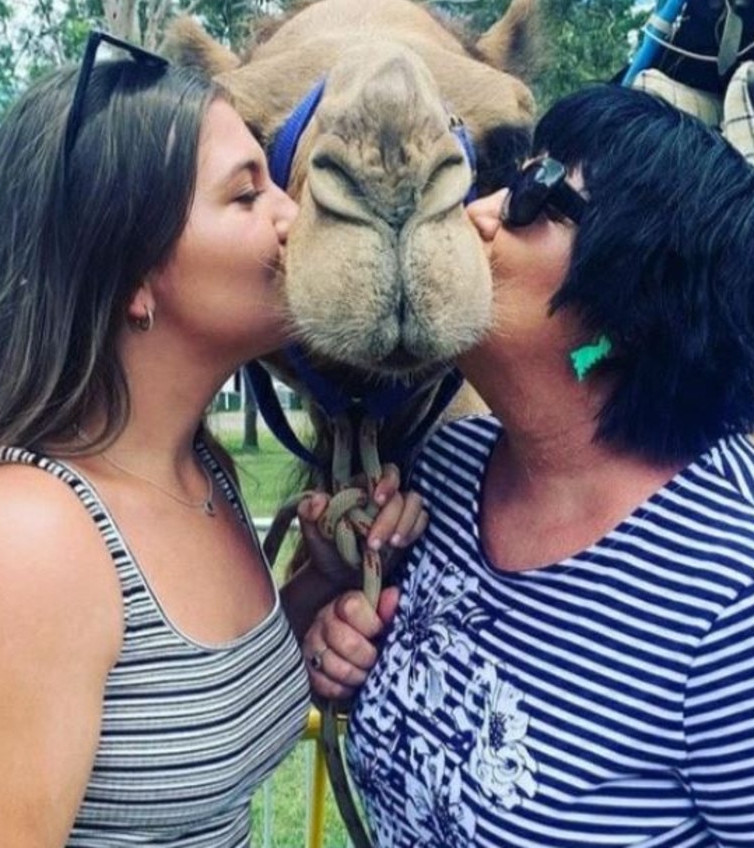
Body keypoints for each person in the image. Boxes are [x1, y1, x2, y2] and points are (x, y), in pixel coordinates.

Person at [0, 32, 425, 847]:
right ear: (134, 277)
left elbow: (176, 715)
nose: (294, 215)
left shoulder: (199, 475)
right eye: (247, 194)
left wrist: (314, 592)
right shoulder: (30, 538)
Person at [304, 84, 754, 847]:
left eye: (532, 199)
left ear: (637, 297)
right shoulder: (442, 471)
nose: (476, 214)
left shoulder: (732, 593)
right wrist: (341, 615)